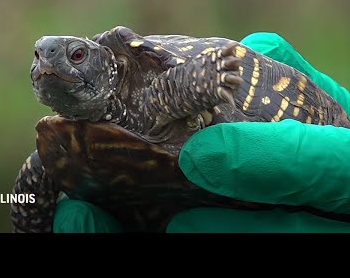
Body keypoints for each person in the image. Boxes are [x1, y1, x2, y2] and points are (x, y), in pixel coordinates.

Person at [52, 32, 350, 233]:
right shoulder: (66, 137)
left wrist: (204, 79)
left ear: (110, 65)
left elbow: (170, 90)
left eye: (76, 55)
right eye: (38, 56)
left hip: (288, 154)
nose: (46, 62)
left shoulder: (158, 96)